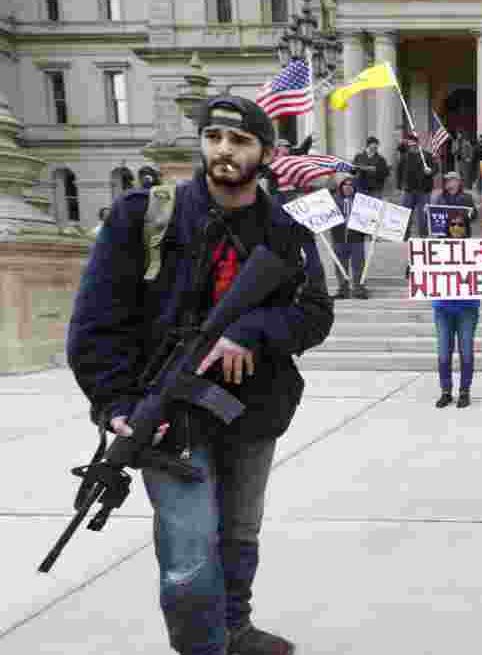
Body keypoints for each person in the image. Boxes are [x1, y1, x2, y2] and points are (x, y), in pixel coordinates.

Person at [67, 95, 334, 655]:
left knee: (239, 534)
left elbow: (315, 314)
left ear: (265, 152)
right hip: (166, 416)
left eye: (239, 142)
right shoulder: (144, 216)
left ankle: (235, 629)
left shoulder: (285, 231)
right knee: (188, 552)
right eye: (214, 138)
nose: (223, 151)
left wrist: (254, 330)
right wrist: (115, 404)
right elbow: (96, 322)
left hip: (251, 410)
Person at [409, 210, 482, 410]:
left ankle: (464, 391)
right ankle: (445, 391)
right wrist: (413, 270)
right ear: (447, 228)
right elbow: (423, 270)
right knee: (444, 352)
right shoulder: (436, 248)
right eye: (452, 224)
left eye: (460, 224)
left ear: (466, 228)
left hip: (467, 308)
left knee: (466, 351)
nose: (456, 228)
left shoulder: (476, 249)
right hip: (443, 308)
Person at [330, 172, 370, 300]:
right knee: (340, 264)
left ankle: (359, 288)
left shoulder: (361, 201)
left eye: (350, 185)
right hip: (339, 237)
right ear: (341, 187)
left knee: (359, 264)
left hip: (356, 238)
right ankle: (343, 289)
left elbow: (369, 218)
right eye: (345, 185)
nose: (347, 187)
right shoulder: (334, 200)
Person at [396, 132, 438, 239]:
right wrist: (399, 186)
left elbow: (435, 168)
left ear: (418, 144)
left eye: (414, 144)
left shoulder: (426, 156)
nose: (412, 146)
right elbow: (399, 171)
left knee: (423, 216)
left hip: (424, 190)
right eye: (409, 144)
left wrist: (430, 171)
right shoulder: (405, 157)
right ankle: (405, 236)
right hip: (409, 190)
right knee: (405, 214)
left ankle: (423, 236)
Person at [433, 171, 478, 237]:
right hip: (444, 234)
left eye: (450, 180)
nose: (447, 182)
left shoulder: (467, 197)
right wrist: (428, 212)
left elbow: (474, 216)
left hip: (461, 234)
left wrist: (470, 214)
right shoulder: (440, 197)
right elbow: (435, 216)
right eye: (446, 181)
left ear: (457, 183)